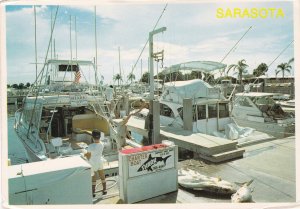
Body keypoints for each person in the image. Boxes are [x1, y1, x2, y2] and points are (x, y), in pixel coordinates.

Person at [84, 129, 107, 197]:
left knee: (93, 178)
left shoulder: (90, 146)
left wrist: (84, 153)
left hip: (93, 163)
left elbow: (88, 156)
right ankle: (105, 190)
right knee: (102, 176)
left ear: (92, 137)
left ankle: (93, 192)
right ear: (100, 137)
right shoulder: (102, 144)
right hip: (99, 162)